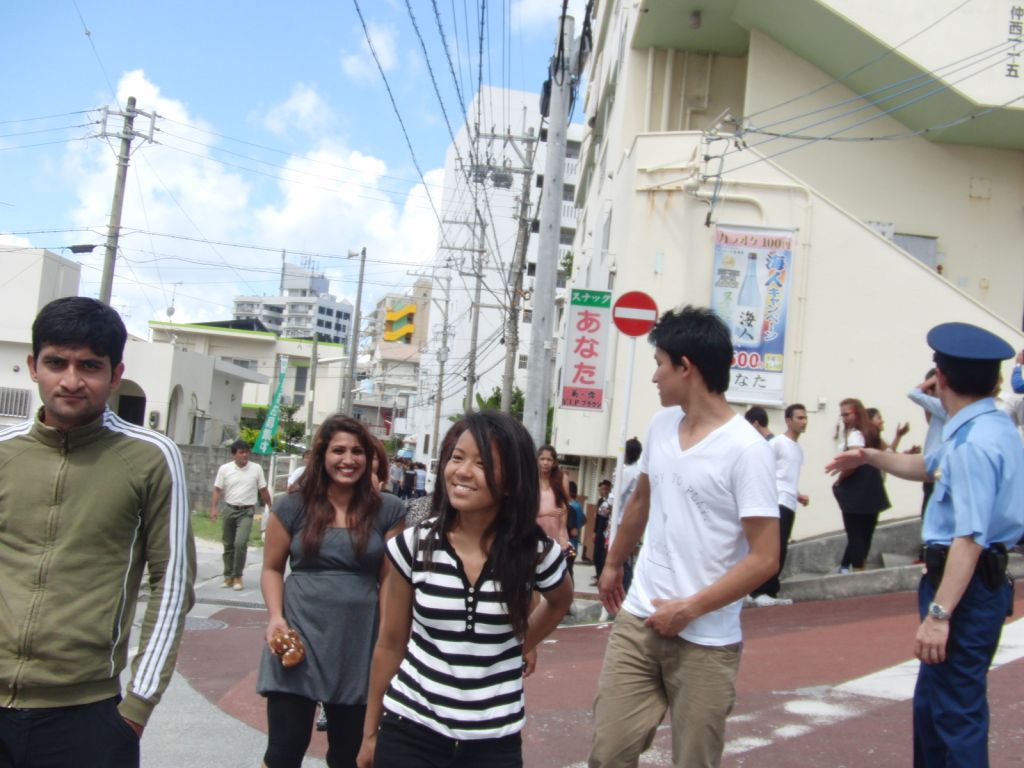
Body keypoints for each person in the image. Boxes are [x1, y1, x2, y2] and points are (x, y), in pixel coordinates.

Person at [0, 296, 195, 767]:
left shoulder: (151, 457)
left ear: (115, 373)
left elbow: (172, 585)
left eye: (89, 365)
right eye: (56, 363)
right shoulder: (4, 452)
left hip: (88, 715)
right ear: (33, 366)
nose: (71, 380)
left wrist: (137, 707)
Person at [827, 322, 1023, 767]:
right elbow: (928, 465)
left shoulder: (973, 442)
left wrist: (939, 615)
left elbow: (969, 538)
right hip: (971, 585)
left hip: (963, 588)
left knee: (955, 712)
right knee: (935, 707)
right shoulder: (987, 426)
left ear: (942, 379)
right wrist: (871, 456)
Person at [591, 305, 778, 768]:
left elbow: (765, 558)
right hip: (638, 622)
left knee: (695, 761)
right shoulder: (660, 427)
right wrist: (613, 563)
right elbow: (641, 501)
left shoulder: (748, 451)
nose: (654, 376)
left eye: (660, 364)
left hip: (706, 640)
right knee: (608, 754)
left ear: (686, 368)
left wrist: (689, 609)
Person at [357, 411, 573, 768]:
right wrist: (369, 734)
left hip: (495, 742)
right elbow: (390, 643)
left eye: (482, 463)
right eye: (457, 458)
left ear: (511, 482)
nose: (462, 471)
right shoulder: (414, 545)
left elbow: (559, 602)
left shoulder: (536, 553)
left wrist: (517, 645)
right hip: (410, 729)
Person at [257, 415, 405, 768]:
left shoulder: (389, 509)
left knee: (349, 756)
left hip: (359, 642)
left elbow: (391, 580)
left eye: (357, 451)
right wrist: (275, 618)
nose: (348, 459)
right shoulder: (290, 505)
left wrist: (389, 637)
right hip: (299, 634)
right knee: (283, 752)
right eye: (338, 450)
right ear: (322, 455)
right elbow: (272, 568)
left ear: (369, 458)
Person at [748, 404, 809, 607]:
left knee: (781, 548)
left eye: (805, 418)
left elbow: (787, 476)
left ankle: (769, 592)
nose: (804, 422)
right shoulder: (777, 443)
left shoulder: (797, 449)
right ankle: (760, 591)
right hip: (776, 502)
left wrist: (798, 495)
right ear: (788, 420)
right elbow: (762, 468)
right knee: (773, 548)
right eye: (799, 418)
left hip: (789, 503)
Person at [832, 398, 890, 573]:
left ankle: (856, 571)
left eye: (847, 415)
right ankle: (859, 568)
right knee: (866, 533)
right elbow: (888, 453)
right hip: (873, 486)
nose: (844, 419)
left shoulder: (855, 435)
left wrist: (840, 480)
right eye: (842, 416)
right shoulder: (872, 433)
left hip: (858, 488)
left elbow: (854, 462)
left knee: (855, 534)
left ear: (857, 413)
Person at [211, 439, 272, 590]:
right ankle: (228, 576)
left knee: (240, 543)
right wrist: (214, 509)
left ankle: (238, 576)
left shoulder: (256, 469)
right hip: (229, 509)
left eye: (247, 452)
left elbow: (263, 490)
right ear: (234, 455)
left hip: (246, 511)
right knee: (228, 544)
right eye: (241, 452)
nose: (245, 455)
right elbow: (217, 489)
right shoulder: (225, 469)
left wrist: (271, 508)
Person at [908, 370, 948, 515]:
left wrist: (934, 379)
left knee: (931, 511)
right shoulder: (940, 407)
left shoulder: (943, 405)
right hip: (933, 466)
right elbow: (929, 421)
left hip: (937, 468)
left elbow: (913, 393)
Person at [610, 437, 643, 594]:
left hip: (620, 520)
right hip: (632, 520)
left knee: (618, 558)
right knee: (624, 557)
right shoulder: (638, 471)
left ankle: (623, 590)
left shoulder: (628, 472)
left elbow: (616, 494)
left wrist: (607, 505)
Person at [537, 444, 572, 555]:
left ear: (554, 462)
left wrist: (562, 532)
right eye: (542, 459)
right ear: (537, 460)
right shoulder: (530, 478)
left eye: (549, 460)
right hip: (535, 530)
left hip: (556, 529)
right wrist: (546, 513)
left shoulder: (562, 478)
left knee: (558, 562)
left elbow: (564, 506)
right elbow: (525, 510)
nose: (545, 463)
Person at [591, 479, 613, 585]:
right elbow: (597, 518)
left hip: (607, 533)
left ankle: (602, 578)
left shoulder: (612, 502)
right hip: (599, 531)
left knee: (603, 557)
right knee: (596, 556)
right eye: (602, 489)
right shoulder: (600, 501)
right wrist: (594, 532)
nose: (604, 491)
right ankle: (598, 575)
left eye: (606, 489)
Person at [567, 481, 586, 581]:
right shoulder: (578, 505)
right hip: (575, 544)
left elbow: (573, 531)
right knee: (570, 568)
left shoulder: (570, 507)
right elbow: (584, 520)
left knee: (567, 570)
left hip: (569, 544)